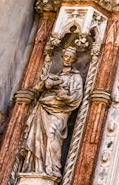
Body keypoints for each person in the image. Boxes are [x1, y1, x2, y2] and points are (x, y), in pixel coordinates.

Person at [20, 47, 83, 178]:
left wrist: (64, 97)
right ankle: (36, 168)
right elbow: (37, 89)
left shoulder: (75, 77)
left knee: (52, 133)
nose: (68, 59)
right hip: (44, 106)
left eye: (71, 57)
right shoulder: (55, 76)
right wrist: (45, 84)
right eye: (66, 56)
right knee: (39, 136)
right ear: (62, 56)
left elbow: (77, 96)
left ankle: (52, 169)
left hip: (60, 110)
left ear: (74, 59)